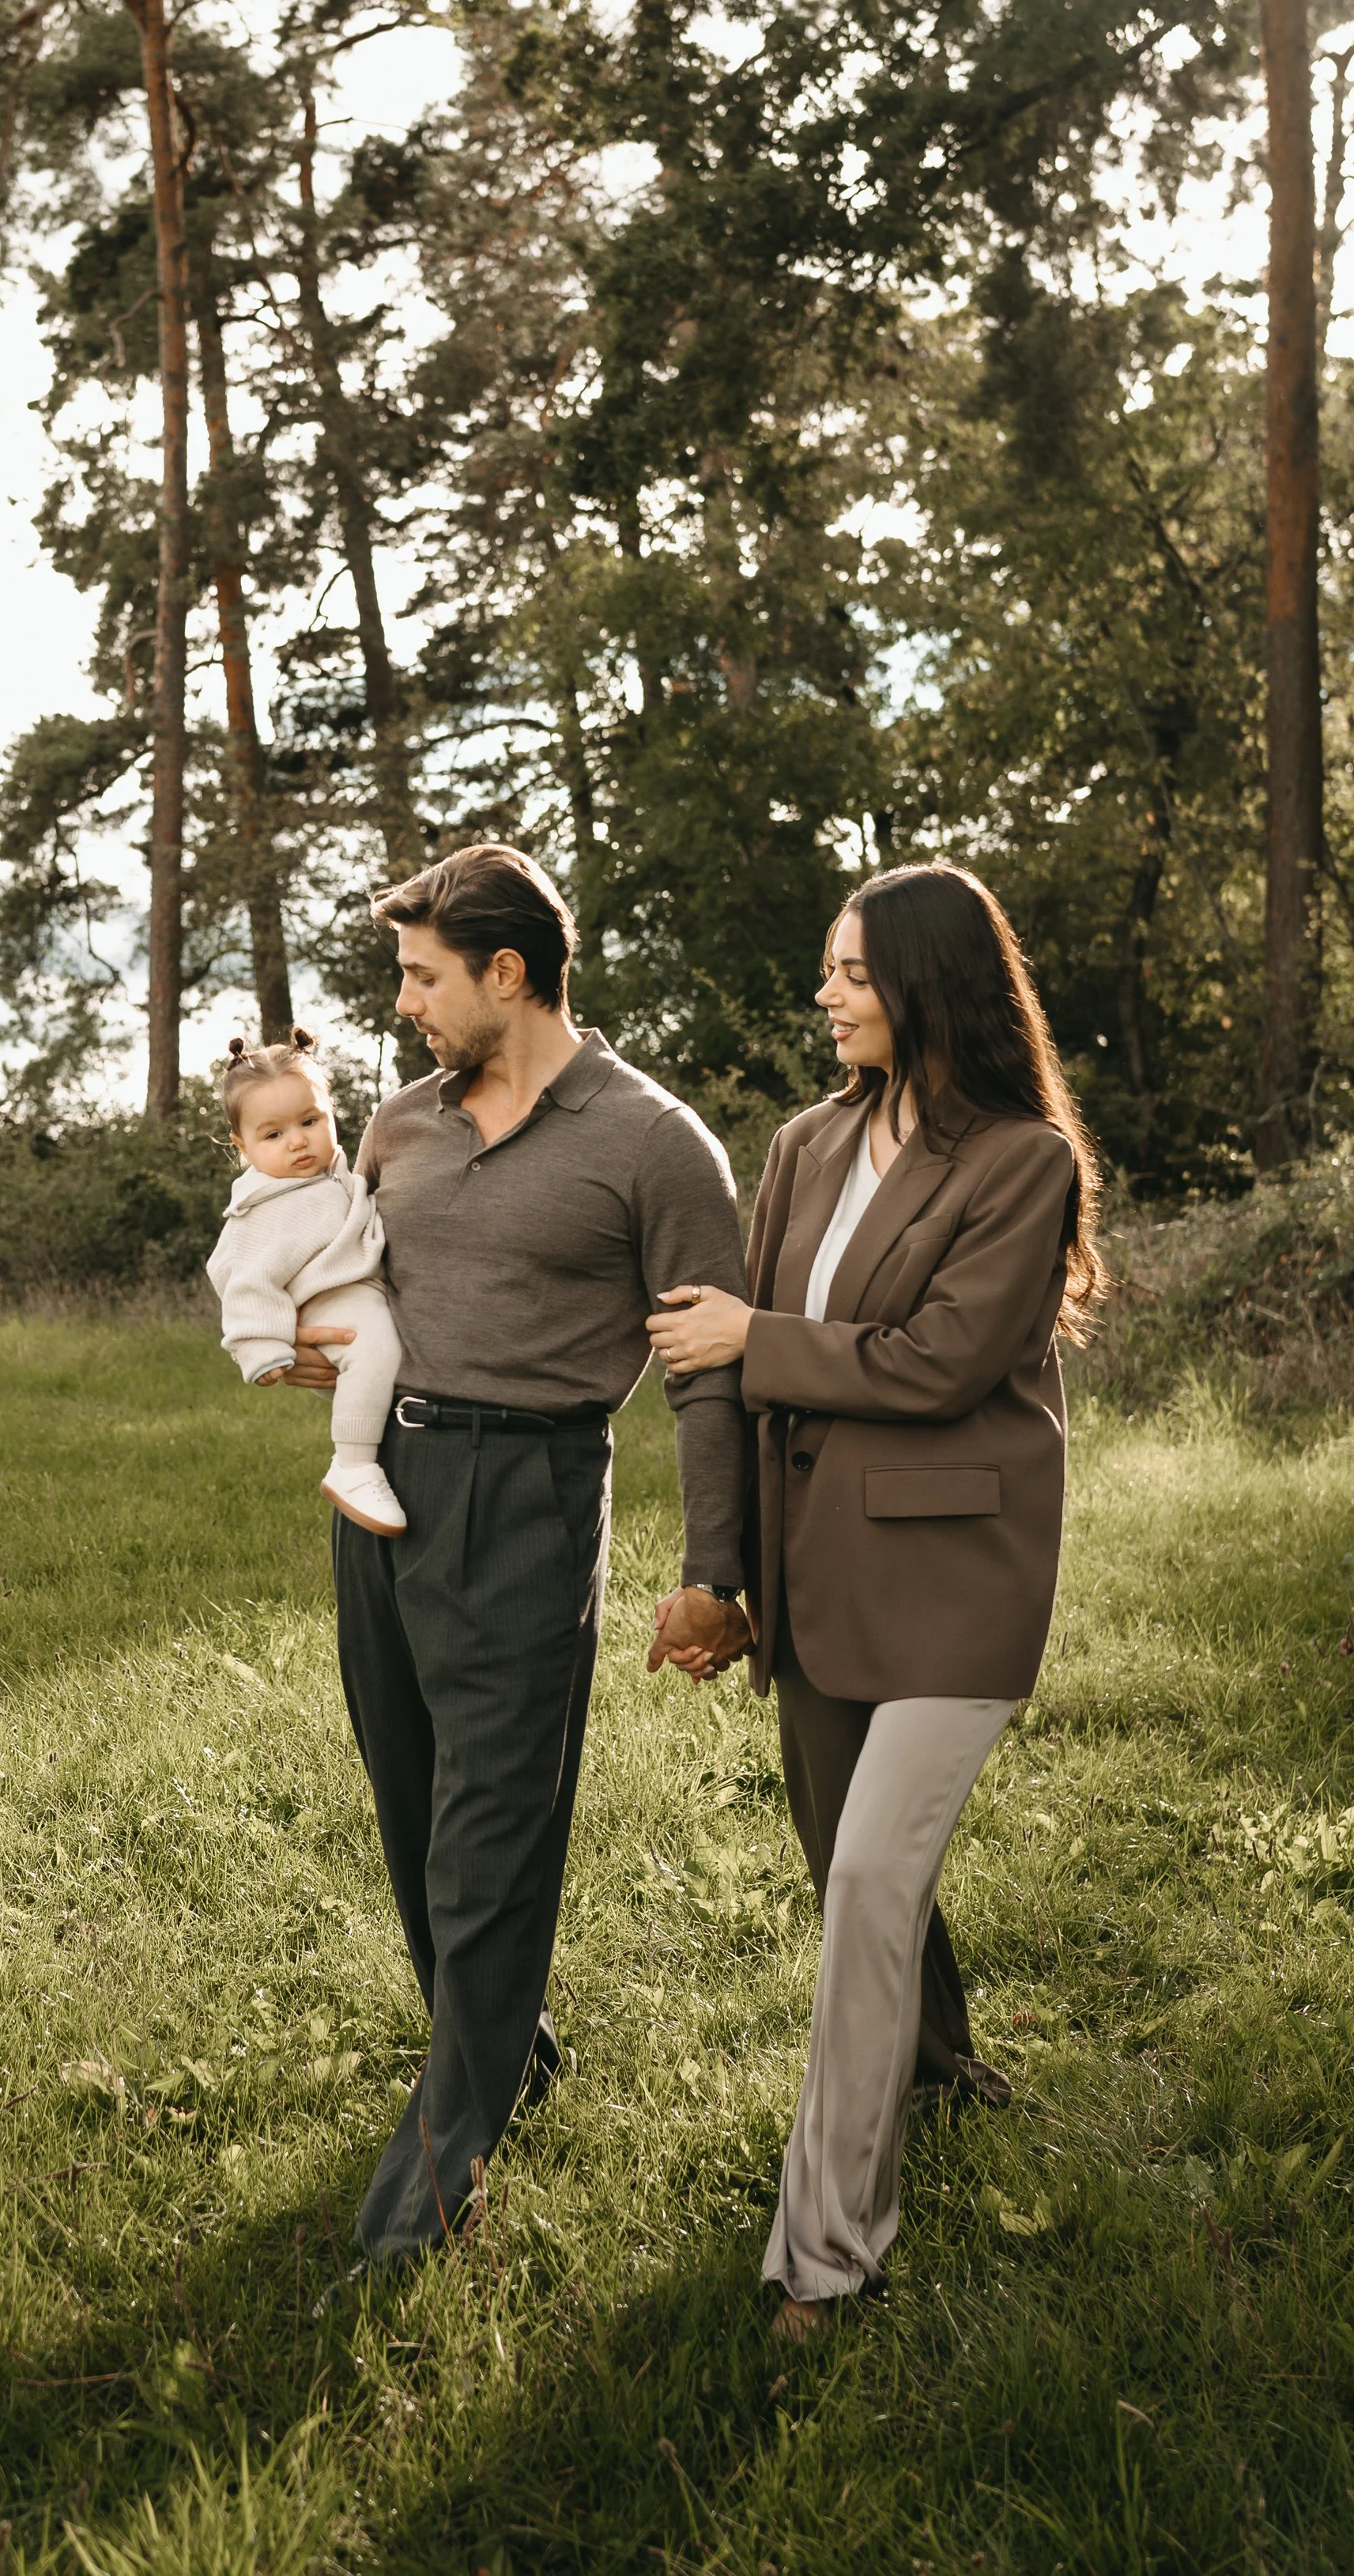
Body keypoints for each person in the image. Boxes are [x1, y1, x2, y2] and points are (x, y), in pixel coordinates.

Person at [272, 843, 749, 2275]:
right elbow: (355, 1277)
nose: (404, 1003)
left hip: (529, 1489)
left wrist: (716, 1568)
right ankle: (507, 2046)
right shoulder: (400, 1126)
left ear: (507, 971)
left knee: (493, 1832)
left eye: (423, 977)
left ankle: (427, 2192)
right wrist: (311, 1336)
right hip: (384, 1486)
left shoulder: (656, 1143)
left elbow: (709, 1375)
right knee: (413, 1804)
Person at [645, 862, 1102, 2340]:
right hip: (813, 1576)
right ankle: (939, 2064)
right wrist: (725, 1578)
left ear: (925, 982)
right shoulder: (804, 1143)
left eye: (851, 970)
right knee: (858, 1865)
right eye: (829, 968)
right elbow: (731, 1380)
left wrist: (755, 1335)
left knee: (865, 1888)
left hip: (960, 1579)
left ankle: (828, 2253)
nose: (827, 993)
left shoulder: (1023, 1161)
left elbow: (940, 1363)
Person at [206, 1027, 406, 1537]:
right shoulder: (265, 1207)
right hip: (325, 1301)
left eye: (310, 1121)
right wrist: (261, 1347)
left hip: (351, 1290)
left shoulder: (329, 1175)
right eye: (273, 1135)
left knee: (378, 1363)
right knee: (375, 1346)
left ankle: (372, 1450)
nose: (297, 1141)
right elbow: (244, 1280)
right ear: (242, 1146)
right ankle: (354, 1467)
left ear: (331, 1114)